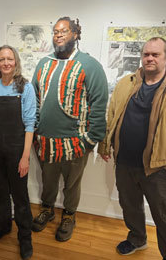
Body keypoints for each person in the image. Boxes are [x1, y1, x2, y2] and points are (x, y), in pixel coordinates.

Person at [98, 37, 166, 259]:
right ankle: (137, 239)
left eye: (155, 54)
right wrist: (105, 144)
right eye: (146, 54)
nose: (149, 58)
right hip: (125, 163)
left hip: (160, 169)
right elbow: (113, 115)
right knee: (131, 208)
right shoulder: (126, 83)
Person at [31, 17, 108, 242]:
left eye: (64, 31)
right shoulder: (43, 63)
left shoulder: (89, 65)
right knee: (48, 180)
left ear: (76, 34)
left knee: (72, 183)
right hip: (45, 140)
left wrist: (90, 140)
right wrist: (35, 131)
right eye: (55, 32)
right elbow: (35, 99)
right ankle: (47, 209)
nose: (59, 35)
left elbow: (99, 103)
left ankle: (69, 215)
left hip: (75, 141)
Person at [0, 45, 36, 260]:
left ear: (16, 61)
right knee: (0, 192)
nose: (5, 63)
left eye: (9, 59)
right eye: (1, 59)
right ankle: (3, 226)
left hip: (15, 151)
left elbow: (30, 124)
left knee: (20, 196)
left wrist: (25, 157)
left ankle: (25, 237)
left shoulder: (25, 88)